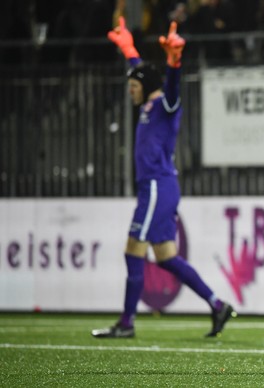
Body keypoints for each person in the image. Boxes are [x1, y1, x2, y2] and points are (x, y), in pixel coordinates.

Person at [92, 16, 236, 339]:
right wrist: (129, 49)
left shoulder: (166, 105)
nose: (131, 90)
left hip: (156, 187)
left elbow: (170, 86)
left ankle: (126, 323)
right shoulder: (148, 98)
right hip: (160, 187)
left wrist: (174, 62)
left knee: (133, 249)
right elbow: (143, 72)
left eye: (133, 86)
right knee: (167, 257)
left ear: (146, 86)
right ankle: (216, 305)